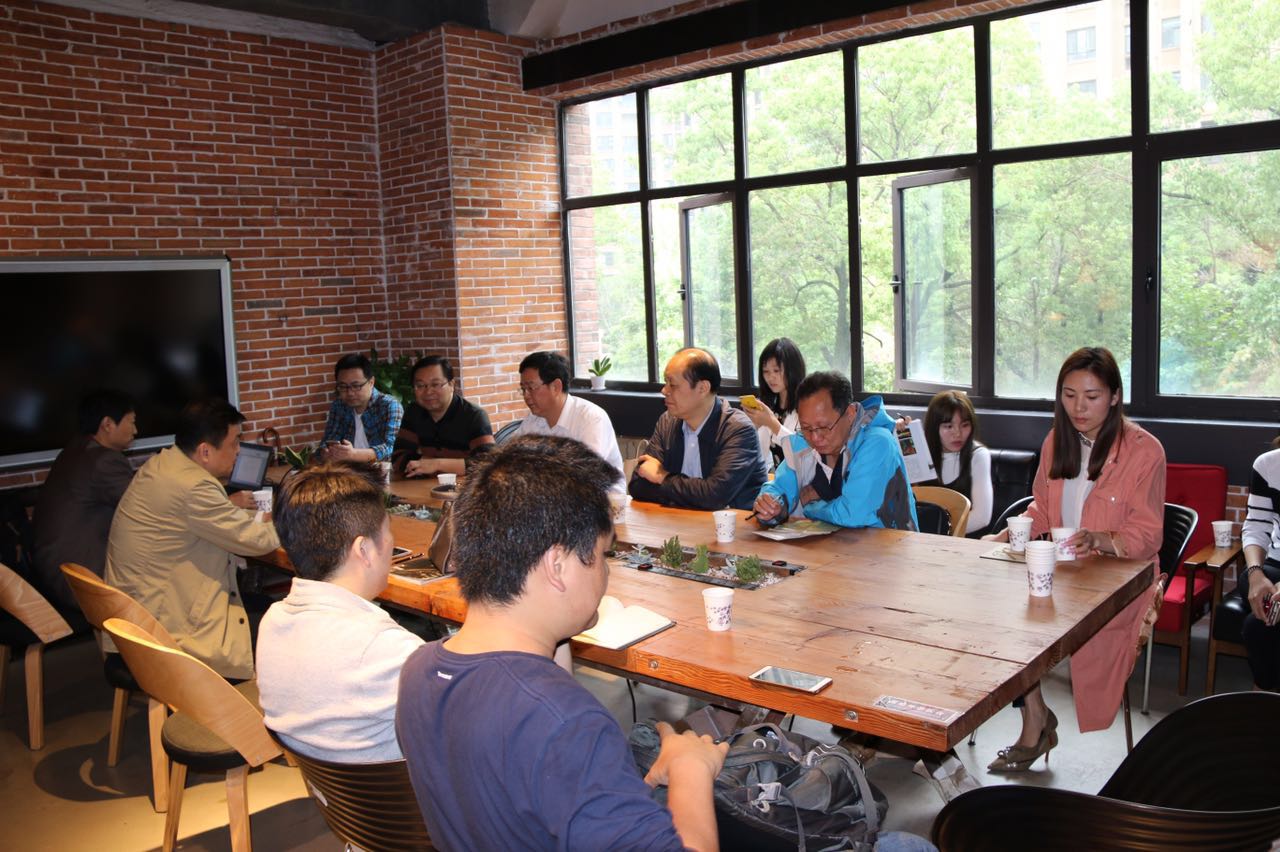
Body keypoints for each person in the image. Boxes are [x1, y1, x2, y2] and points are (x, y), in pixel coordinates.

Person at [396, 435, 728, 851]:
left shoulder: (418, 670)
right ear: (556, 565)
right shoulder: (566, 726)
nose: (606, 573)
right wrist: (691, 767)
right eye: (603, 555)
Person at [985, 347, 1165, 771]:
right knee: (997, 616)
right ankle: (1036, 715)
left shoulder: (1144, 451)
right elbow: (1043, 510)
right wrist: (1003, 534)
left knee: (1028, 627)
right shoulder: (1056, 441)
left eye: (1092, 396)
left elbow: (1148, 534)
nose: (1078, 407)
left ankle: (1036, 724)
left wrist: (1101, 539)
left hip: (1118, 581)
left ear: (1115, 397)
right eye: (1069, 395)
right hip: (1065, 570)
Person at [256, 460, 423, 762]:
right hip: (405, 791)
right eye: (387, 533)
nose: (390, 544)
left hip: (328, 791)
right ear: (364, 550)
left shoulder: (272, 622)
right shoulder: (388, 650)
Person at [106, 399, 280, 681]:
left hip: (141, 615)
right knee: (287, 628)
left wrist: (262, 519)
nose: (239, 451)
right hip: (165, 630)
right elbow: (257, 542)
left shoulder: (164, 463)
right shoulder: (194, 486)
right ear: (205, 451)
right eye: (235, 442)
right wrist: (295, 519)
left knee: (265, 607)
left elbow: (221, 520)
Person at [754, 371, 918, 530]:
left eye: (823, 427)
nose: (815, 437)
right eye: (806, 427)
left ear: (850, 413)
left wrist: (811, 506)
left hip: (889, 545)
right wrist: (771, 505)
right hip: (833, 546)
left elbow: (854, 514)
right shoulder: (803, 444)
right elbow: (780, 487)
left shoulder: (877, 443)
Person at [32, 389, 138, 609]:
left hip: (56, 570)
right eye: (131, 422)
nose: (135, 430)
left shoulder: (75, 449)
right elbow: (146, 508)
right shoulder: (103, 461)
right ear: (108, 424)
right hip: (82, 578)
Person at [629, 348, 766, 511]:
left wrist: (662, 477)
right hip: (679, 522)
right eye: (665, 382)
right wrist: (694, 494)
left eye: (672, 384)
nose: (664, 390)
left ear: (702, 388)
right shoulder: (667, 421)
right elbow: (638, 484)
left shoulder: (737, 429)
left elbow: (714, 496)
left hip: (731, 525)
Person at [514, 350, 625, 490]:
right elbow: (512, 461)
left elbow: (585, 476)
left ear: (556, 387)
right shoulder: (532, 421)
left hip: (599, 498)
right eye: (523, 389)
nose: (526, 395)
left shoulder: (591, 418)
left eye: (531, 388)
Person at [393, 355, 494, 477]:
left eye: (435, 384)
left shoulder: (474, 416)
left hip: (464, 487)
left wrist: (436, 464)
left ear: (451, 385)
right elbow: (398, 457)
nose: (428, 392)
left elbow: (488, 464)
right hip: (422, 486)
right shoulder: (414, 412)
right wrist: (453, 466)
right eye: (420, 386)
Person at [1237, 435, 1280, 690]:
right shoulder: (1268, 465)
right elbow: (1256, 526)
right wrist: (1255, 574)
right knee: (1248, 578)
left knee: (1256, 627)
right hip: (1275, 564)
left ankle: (1262, 699)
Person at [920, 390, 992, 535]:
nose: (958, 433)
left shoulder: (978, 455)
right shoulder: (923, 452)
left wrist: (939, 534)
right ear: (934, 427)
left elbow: (982, 517)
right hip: (925, 539)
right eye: (948, 426)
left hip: (966, 541)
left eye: (965, 425)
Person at [321, 353, 403, 463]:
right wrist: (326, 453)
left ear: (371, 382)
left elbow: (391, 448)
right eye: (343, 386)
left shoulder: (390, 405)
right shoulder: (339, 406)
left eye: (356, 386)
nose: (350, 393)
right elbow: (328, 440)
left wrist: (353, 454)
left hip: (380, 470)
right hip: (347, 469)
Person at [741, 337, 805, 470]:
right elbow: (757, 457)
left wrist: (772, 423)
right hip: (776, 479)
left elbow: (803, 457)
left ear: (793, 370)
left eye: (776, 371)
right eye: (766, 371)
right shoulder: (769, 406)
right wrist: (754, 427)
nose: (771, 377)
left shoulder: (807, 407)